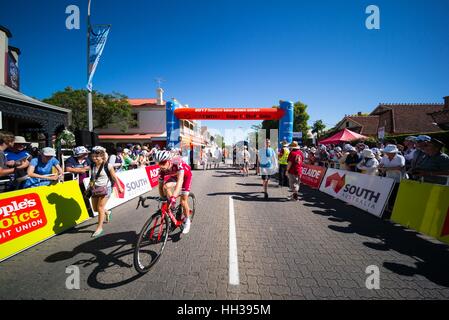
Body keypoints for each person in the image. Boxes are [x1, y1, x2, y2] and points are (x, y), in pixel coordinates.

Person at [153, 150, 193, 234]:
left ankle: (187, 220)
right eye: (159, 163)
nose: (161, 166)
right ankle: (173, 207)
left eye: (163, 163)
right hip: (175, 176)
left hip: (185, 176)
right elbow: (160, 186)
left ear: (169, 161)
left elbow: (180, 181)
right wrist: (163, 199)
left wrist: (174, 197)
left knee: (183, 201)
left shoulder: (177, 163)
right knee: (165, 186)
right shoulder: (161, 170)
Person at [89, 146, 124, 238]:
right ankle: (107, 212)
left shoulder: (108, 166)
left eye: (97, 157)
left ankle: (99, 228)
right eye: (93, 156)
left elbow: (114, 177)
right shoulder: (92, 165)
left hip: (106, 188)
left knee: (100, 208)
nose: (94, 158)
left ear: (102, 157)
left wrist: (119, 187)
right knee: (96, 209)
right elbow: (92, 176)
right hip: (95, 188)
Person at [378, 144, 406, 214]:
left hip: (398, 179)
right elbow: (380, 165)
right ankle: (389, 208)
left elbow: (400, 167)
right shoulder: (385, 157)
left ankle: (395, 210)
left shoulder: (400, 158)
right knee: (389, 194)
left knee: (396, 194)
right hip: (388, 178)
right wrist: (380, 168)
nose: (386, 153)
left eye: (388, 152)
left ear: (393, 152)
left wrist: (387, 169)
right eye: (386, 152)